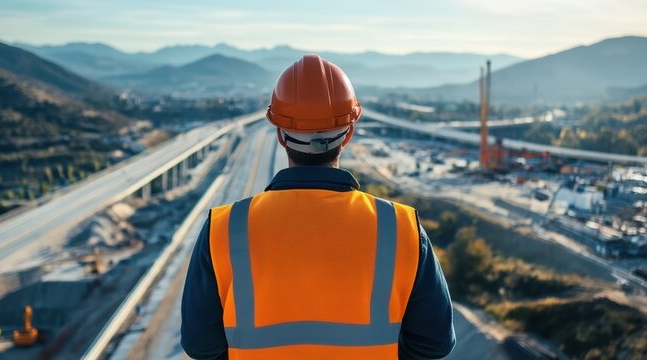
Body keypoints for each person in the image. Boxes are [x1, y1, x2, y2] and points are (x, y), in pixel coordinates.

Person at [181, 54, 455, 359]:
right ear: (348, 134)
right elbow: (435, 343)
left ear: (281, 135)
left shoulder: (225, 227)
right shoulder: (401, 227)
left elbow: (199, 344)